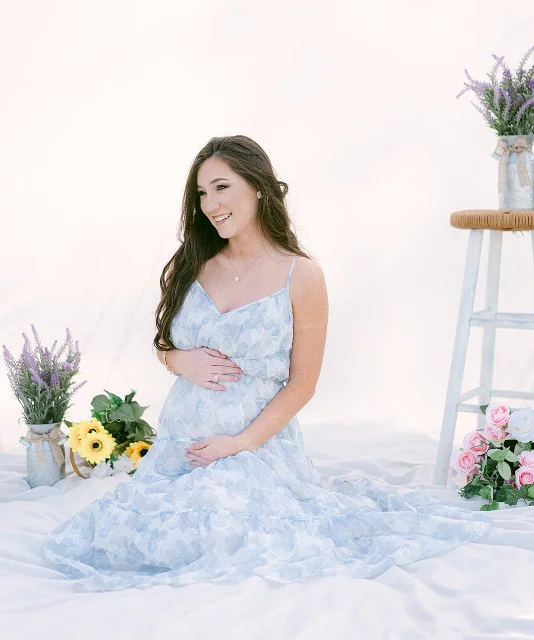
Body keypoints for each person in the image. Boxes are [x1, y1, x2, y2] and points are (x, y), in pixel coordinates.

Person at [43, 135, 493, 591]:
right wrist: (180, 361)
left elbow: (303, 383)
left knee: (233, 532)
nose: (210, 204)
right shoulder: (192, 263)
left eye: (221, 187)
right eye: (201, 194)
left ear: (257, 187)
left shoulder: (301, 275)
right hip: (181, 447)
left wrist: (240, 443)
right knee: (142, 536)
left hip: (257, 446)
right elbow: (164, 345)